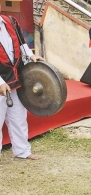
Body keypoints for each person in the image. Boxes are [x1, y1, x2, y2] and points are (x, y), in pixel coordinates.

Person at [0, 9, 43, 160]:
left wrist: (31, 55)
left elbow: (21, 43)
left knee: (18, 117)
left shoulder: (10, 21)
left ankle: (22, 151)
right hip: (1, 81)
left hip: (15, 78)